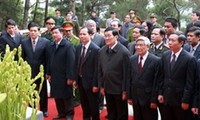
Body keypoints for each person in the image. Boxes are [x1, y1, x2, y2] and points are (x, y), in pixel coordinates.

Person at [158, 32, 197, 120]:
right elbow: (162, 76)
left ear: (181, 43)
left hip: (180, 100)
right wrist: (160, 93)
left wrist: (185, 100)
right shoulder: (165, 55)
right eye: (169, 40)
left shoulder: (189, 59)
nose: (170, 43)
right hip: (166, 99)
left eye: (173, 40)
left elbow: (190, 82)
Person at [98, 27, 131, 120]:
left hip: (119, 89)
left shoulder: (124, 52)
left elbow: (127, 74)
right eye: (105, 36)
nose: (107, 38)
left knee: (121, 114)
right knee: (111, 113)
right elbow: (100, 70)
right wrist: (101, 85)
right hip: (107, 88)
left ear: (116, 37)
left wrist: (125, 90)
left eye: (109, 36)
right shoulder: (102, 51)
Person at [127, 36, 160, 120]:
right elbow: (129, 78)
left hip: (148, 98)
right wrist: (129, 96)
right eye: (137, 45)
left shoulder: (156, 61)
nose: (138, 47)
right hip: (135, 97)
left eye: (141, 45)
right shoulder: (132, 59)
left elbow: (157, 82)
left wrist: (154, 100)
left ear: (148, 46)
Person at [46, 26, 75, 120]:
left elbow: (71, 62)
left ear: (62, 33)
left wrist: (70, 77)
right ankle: (61, 112)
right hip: (54, 75)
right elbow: (49, 61)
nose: (54, 35)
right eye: (53, 33)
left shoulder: (68, 45)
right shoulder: (51, 45)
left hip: (64, 76)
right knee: (57, 96)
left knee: (67, 96)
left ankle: (69, 114)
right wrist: (48, 73)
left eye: (56, 33)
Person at [21, 22, 49, 117]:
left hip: (41, 71)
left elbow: (47, 58)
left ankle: (44, 109)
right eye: (31, 31)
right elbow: (23, 57)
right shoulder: (24, 42)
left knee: (43, 92)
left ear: (38, 31)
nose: (33, 32)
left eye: (35, 31)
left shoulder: (45, 42)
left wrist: (47, 72)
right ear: (29, 32)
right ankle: (31, 109)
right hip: (28, 72)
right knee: (30, 91)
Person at [74, 27, 100, 120]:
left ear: (90, 35)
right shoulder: (78, 47)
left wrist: (96, 84)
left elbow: (97, 69)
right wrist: (76, 79)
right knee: (84, 103)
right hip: (81, 81)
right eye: (80, 34)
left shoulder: (96, 49)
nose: (82, 36)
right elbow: (77, 64)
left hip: (91, 83)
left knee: (93, 105)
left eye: (84, 34)